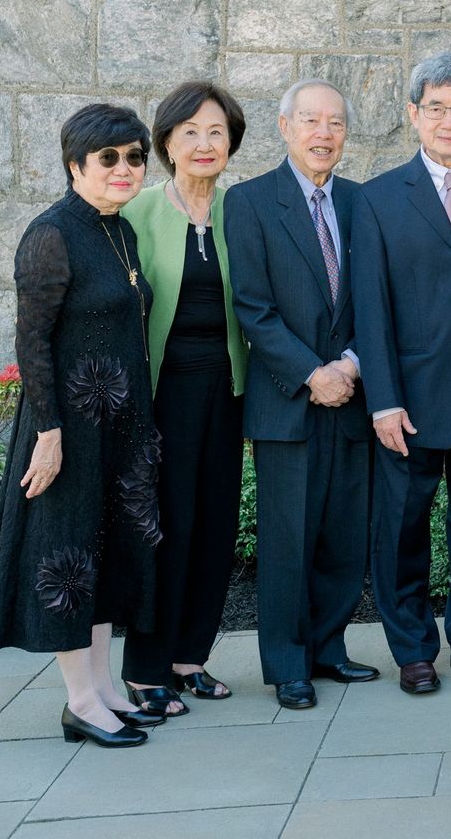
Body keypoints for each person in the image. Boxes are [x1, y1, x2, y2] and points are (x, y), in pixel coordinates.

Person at [0, 104, 163, 747]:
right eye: (108, 157)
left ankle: (104, 689)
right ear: (75, 164)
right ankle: (80, 702)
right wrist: (48, 433)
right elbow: (32, 342)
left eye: (135, 157)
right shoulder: (50, 234)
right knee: (72, 554)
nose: (124, 168)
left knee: (108, 553)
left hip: (120, 427)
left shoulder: (121, 230)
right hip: (69, 429)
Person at [351, 53, 451, 696]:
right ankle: (414, 648)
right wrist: (382, 400)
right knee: (402, 526)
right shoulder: (377, 198)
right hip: (411, 398)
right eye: (437, 108)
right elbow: (370, 308)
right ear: (413, 114)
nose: (450, 121)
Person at [224, 79, 376, 711]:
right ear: (285, 128)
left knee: (343, 532)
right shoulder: (250, 202)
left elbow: (377, 299)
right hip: (288, 401)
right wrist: (314, 374)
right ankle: (288, 664)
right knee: (288, 539)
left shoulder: (364, 203)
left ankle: (328, 647)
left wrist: (351, 366)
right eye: (310, 121)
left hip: (353, 394)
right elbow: (253, 309)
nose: (323, 133)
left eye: (335, 123)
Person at [119, 82, 249, 717]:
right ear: (167, 141)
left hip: (227, 392)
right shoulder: (137, 211)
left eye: (216, 132)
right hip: (161, 395)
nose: (204, 143)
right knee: (164, 528)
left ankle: (189, 657)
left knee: (215, 525)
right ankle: (146, 668)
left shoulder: (240, 212)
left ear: (231, 144)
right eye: (190, 132)